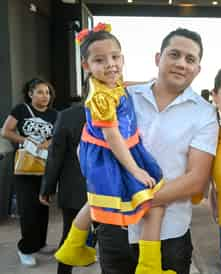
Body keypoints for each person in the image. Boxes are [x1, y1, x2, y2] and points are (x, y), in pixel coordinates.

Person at [53, 23, 175, 274]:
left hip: (106, 151)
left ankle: (72, 247)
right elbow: (113, 137)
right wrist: (136, 170)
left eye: (115, 57)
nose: (110, 65)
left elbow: (121, 85)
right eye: (100, 60)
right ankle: (149, 267)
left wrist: (147, 82)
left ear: (122, 57)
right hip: (111, 154)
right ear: (86, 66)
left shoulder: (109, 84)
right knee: (153, 203)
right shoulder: (100, 97)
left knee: (96, 202)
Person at [96, 28, 218, 274]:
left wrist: (132, 200)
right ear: (157, 58)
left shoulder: (204, 113)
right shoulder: (123, 97)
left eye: (190, 59)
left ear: (198, 69)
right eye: (174, 54)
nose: (181, 64)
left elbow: (195, 181)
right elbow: (89, 149)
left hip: (169, 234)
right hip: (115, 230)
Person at [1, 78, 57, 266]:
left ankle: (39, 244)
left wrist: (47, 143)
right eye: (40, 92)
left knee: (43, 206)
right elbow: (6, 131)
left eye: (47, 92)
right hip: (24, 166)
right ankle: (25, 248)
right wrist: (25, 141)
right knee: (28, 209)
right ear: (30, 94)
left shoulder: (55, 114)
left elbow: (56, 136)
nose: (45, 96)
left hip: (45, 166)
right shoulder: (21, 110)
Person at [39, 97, 88, 274]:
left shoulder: (68, 116)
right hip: (112, 188)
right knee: (113, 240)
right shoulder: (122, 112)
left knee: (69, 234)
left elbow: (55, 155)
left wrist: (47, 188)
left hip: (74, 187)